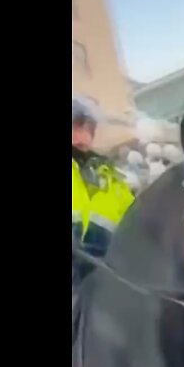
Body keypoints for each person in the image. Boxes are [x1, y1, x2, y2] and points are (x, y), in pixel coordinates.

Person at [72, 97, 135, 284]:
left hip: (110, 275)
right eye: (75, 126)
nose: (81, 135)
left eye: (86, 128)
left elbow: (137, 219)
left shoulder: (110, 178)